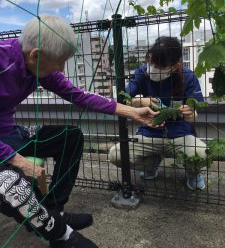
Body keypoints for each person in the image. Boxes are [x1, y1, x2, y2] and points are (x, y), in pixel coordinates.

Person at [0, 15, 160, 248]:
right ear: (36, 55)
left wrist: (131, 112)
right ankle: (60, 233)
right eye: (60, 61)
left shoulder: (36, 64)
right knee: (10, 184)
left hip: (12, 132)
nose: (62, 68)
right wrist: (17, 160)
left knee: (70, 137)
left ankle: (55, 210)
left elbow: (80, 95)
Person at [109, 36, 207, 191]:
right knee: (116, 155)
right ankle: (151, 164)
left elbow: (195, 112)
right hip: (148, 133)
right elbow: (122, 99)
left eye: (160, 66)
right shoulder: (141, 73)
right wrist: (140, 101)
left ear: (175, 66)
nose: (153, 67)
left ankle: (193, 173)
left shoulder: (187, 76)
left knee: (201, 155)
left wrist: (190, 113)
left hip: (180, 134)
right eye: (151, 61)